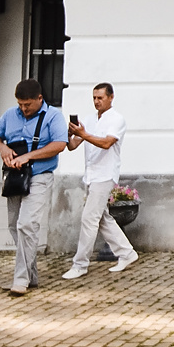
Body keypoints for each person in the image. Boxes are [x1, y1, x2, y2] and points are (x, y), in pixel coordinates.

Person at [0, 77, 68, 295]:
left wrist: (29, 157)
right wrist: (3, 149)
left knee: (27, 225)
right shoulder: (10, 114)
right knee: (14, 225)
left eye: (27, 105)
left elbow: (60, 144)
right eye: (20, 104)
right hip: (14, 177)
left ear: (39, 98)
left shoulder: (53, 116)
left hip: (40, 175)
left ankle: (20, 280)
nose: (23, 109)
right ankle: (31, 276)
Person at [64, 82, 138, 280]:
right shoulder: (89, 119)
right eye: (94, 98)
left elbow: (106, 143)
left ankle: (80, 265)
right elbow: (72, 146)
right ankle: (127, 253)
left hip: (105, 175)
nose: (97, 101)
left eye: (100, 98)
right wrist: (71, 134)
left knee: (89, 219)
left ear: (111, 97)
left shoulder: (117, 119)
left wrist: (84, 134)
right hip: (91, 175)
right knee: (103, 218)